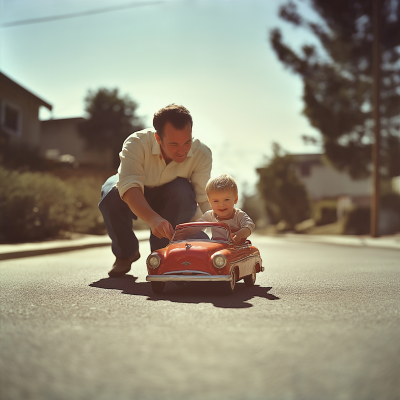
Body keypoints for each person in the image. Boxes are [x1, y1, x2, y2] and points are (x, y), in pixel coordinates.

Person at [99, 104, 212, 277]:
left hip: (171, 197)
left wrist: (224, 226)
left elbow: (203, 198)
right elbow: (129, 187)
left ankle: (163, 253)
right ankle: (125, 253)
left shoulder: (202, 154)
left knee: (182, 189)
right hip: (138, 192)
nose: (182, 151)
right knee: (111, 191)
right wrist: (153, 219)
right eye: (174, 144)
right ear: (158, 138)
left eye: (187, 142)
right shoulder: (136, 143)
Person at [197, 174, 255, 244]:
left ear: (235, 199)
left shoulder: (238, 215)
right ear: (210, 202)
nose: (221, 204)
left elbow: (249, 225)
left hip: (235, 248)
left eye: (226, 199)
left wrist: (239, 234)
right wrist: (186, 232)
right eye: (216, 201)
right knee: (198, 235)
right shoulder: (209, 215)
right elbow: (196, 226)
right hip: (217, 248)